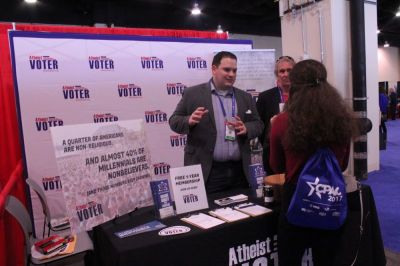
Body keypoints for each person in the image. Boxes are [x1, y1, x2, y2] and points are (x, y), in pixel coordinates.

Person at [269, 59, 357, 265]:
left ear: (294, 85)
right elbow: (342, 165)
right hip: (330, 200)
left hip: (295, 202)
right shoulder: (342, 120)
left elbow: (277, 166)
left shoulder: (282, 121)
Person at [169, 51, 263, 194]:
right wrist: (189, 120)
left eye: (234, 70)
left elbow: (258, 124)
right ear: (214, 69)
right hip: (208, 171)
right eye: (227, 69)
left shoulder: (245, 97)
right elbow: (174, 121)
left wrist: (247, 128)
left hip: (240, 172)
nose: (231, 74)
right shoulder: (192, 94)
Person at [256, 56, 295, 175]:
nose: (285, 74)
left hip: (296, 153)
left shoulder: (303, 96)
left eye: (289, 70)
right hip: (273, 153)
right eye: (282, 71)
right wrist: (271, 130)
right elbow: (259, 125)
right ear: (277, 74)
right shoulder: (265, 97)